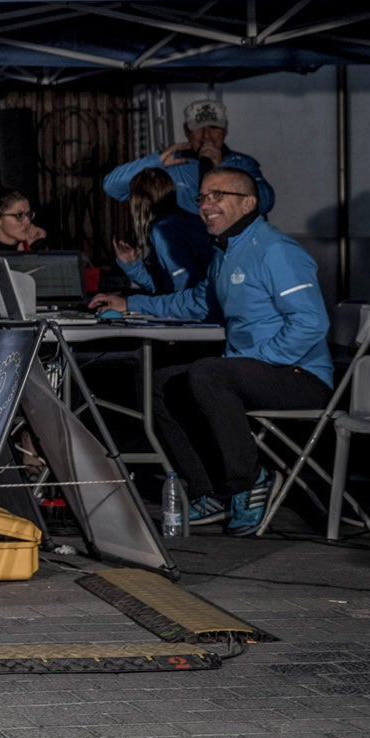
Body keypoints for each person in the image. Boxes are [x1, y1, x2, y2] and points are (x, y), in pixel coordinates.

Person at [90, 168, 330, 534]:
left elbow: (311, 323)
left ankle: (249, 483)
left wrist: (257, 359)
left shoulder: (276, 251)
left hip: (300, 375)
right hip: (251, 370)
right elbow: (198, 302)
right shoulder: (227, 252)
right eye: (202, 197)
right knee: (162, 384)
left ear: (249, 203)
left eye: (219, 195)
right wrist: (131, 303)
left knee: (208, 373)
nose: (206, 204)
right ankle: (210, 491)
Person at [104, 98, 274, 216]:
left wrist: (221, 172)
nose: (206, 136)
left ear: (225, 130)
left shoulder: (242, 164)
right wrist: (154, 162)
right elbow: (113, 187)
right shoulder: (173, 163)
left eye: (214, 128)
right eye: (198, 128)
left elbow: (265, 203)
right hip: (181, 258)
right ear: (186, 131)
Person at [113, 166, 211, 297]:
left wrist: (131, 305)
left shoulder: (164, 230)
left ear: (138, 201)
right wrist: (132, 265)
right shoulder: (190, 221)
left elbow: (185, 294)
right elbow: (165, 288)